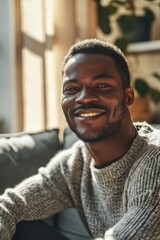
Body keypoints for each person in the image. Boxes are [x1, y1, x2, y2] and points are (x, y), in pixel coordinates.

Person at [0, 38, 160, 240]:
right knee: (18, 225)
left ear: (128, 96)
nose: (84, 98)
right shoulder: (75, 165)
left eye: (102, 85)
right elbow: (9, 206)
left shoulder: (155, 159)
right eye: (72, 89)